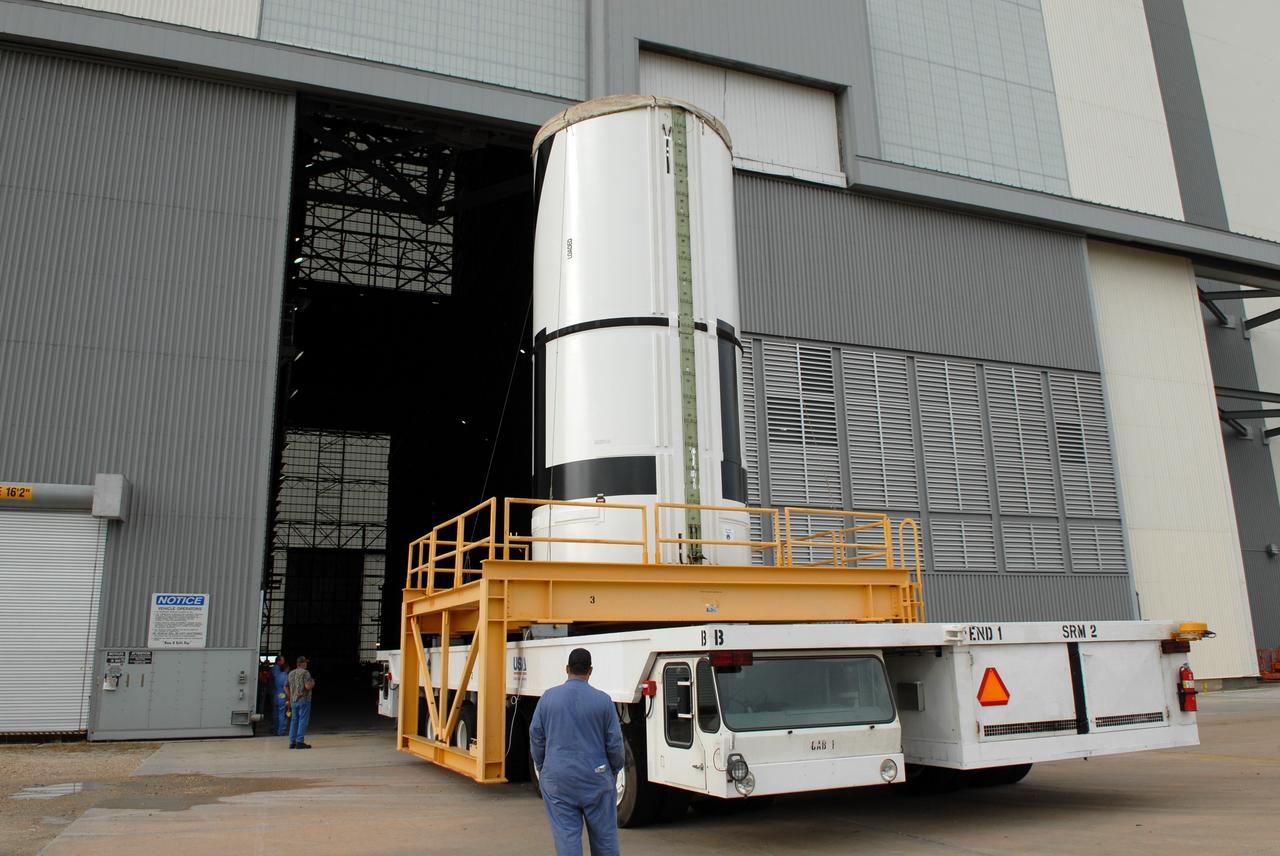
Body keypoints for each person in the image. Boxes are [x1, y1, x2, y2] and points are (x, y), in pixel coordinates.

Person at [529, 647, 625, 856]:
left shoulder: (548, 698)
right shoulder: (603, 701)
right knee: (605, 840)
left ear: (567, 669)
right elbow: (615, 743)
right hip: (596, 778)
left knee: (567, 839)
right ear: (590, 670)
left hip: (558, 779)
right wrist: (613, 770)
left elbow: (536, 735)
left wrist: (543, 766)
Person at [286, 655, 316, 749]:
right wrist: (313, 683)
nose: (306, 664)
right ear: (301, 664)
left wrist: (290, 696)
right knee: (303, 720)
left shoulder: (291, 673)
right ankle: (299, 741)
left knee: (294, 720)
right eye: (305, 662)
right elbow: (307, 686)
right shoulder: (306, 673)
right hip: (304, 699)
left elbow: (285, 686)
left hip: (294, 700)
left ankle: (292, 742)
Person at [270, 656, 290, 736]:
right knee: (282, 714)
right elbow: (285, 688)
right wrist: (289, 697)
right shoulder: (286, 676)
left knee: (275, 713)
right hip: (282, 696)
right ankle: (280, 731)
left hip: (276, 694)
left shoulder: (277, 676)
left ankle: (275, 729)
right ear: (287, 669)